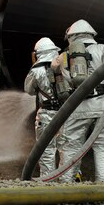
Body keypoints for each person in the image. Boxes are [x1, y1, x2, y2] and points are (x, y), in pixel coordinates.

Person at [52, 20, 104, 183]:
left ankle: (66, 191)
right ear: (92, 35)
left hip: (77, 108)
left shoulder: (63, 56)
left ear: (71, 37)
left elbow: (53, 71)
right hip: (103, 107)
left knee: (71, 151)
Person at [24, 37, 64, 179]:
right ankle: (68, 180)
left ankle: (48, 180)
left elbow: (29, 90)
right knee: (67, 148)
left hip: (46, 113)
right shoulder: (64, 65)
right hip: (66, 112)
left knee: (46, 149)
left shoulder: (36, 70)